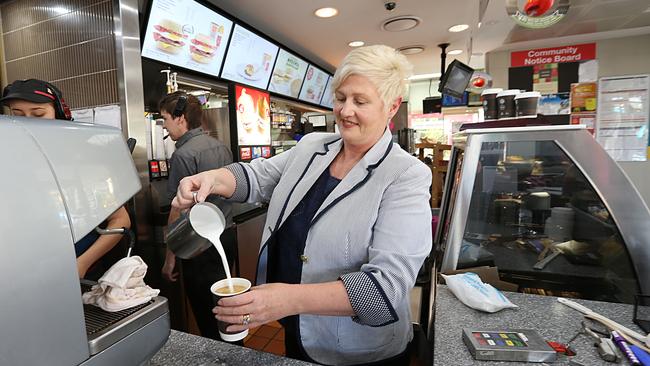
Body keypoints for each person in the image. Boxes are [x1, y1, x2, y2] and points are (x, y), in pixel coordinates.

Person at [173, 45, 433, 365]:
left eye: (360, 101)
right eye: (340, 98)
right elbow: (256, 177)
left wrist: (287, 300)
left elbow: (386, 290)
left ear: (392, 106)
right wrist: (212, 178)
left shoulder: (405, 175)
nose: (345, 111)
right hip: (300, 332)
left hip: (357, 350)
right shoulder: (313, 146)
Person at [0, 78, 131, 278]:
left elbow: (120, 220)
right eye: (18, 114)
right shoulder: (13, 160)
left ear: (60, 114)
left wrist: (82, 264)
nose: (27, 121)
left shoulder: (85, 157)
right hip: (32, 272)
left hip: (84, 271)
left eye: (38, 114)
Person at [158, 91, 236, 341]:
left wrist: (170, 258)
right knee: (226, 305)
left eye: (165, 119)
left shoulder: (183, 155)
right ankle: (237, 350)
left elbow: (177, 208)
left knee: (206, 312)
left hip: (199, 246)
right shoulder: (220, 146)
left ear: (180, 119)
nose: (165, 126)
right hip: (227, 236)